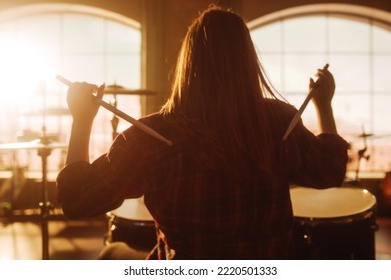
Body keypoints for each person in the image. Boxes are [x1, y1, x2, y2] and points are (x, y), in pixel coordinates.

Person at [56, 5, 348, 260]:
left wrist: (81, 119)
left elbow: (76, 200)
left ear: (188, 64)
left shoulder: (151, 138)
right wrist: (324, 106)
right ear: (247, 62)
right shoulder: (278, 123)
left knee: (111, 253)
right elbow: (330, 170)